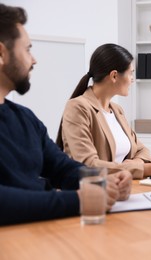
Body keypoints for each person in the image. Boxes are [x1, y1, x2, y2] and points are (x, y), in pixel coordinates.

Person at [0, 3, 131, 226]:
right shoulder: (77, 106)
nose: (34, 60)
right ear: (2, 53)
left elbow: (61, 167)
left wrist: (101, 181)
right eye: (28, 49)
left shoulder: (25, 118)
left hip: (43, 231)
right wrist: (78, 200)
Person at [56, 43, 151, 179]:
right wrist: (149, 168)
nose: (132, 79)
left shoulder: (117, 110)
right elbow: (88, 165)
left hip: (124, 187)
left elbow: (142, 150)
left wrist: (136, 164)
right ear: (114, 76)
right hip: (92, 192)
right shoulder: (78, 107)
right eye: (130, 73)